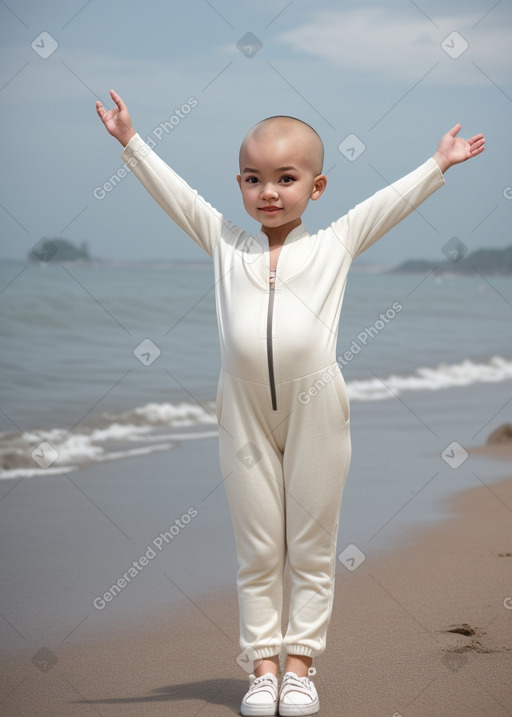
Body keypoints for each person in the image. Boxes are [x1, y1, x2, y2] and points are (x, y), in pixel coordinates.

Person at [96, 89, 485, 716]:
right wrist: (131, 141)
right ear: (241, 185)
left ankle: (299, 666)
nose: (268, 192)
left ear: (317, 186)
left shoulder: (334, 243)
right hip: (241, 412)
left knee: (309, 542)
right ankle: (261, 669)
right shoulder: (225, 244)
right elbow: (177, 196)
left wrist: (438, 164)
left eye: (286, 178)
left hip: (317, 409)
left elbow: (388, 204)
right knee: (256, 546)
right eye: (254, 179)